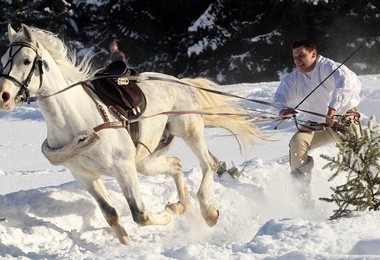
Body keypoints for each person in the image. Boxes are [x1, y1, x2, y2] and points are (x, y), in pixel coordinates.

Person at [273, 39, 362, 205]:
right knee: (297, 143)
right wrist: (282, 110)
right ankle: (304, 201)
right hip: (317, 126)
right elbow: (279, 98)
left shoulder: (329, 67)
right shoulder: (293, 78)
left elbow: (347, 83)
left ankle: (365, 194)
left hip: (343, 121)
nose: (298, 60)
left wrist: (333, 109)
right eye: (295, 57)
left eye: (302, 55)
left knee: (358, 155)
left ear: (313, 53)